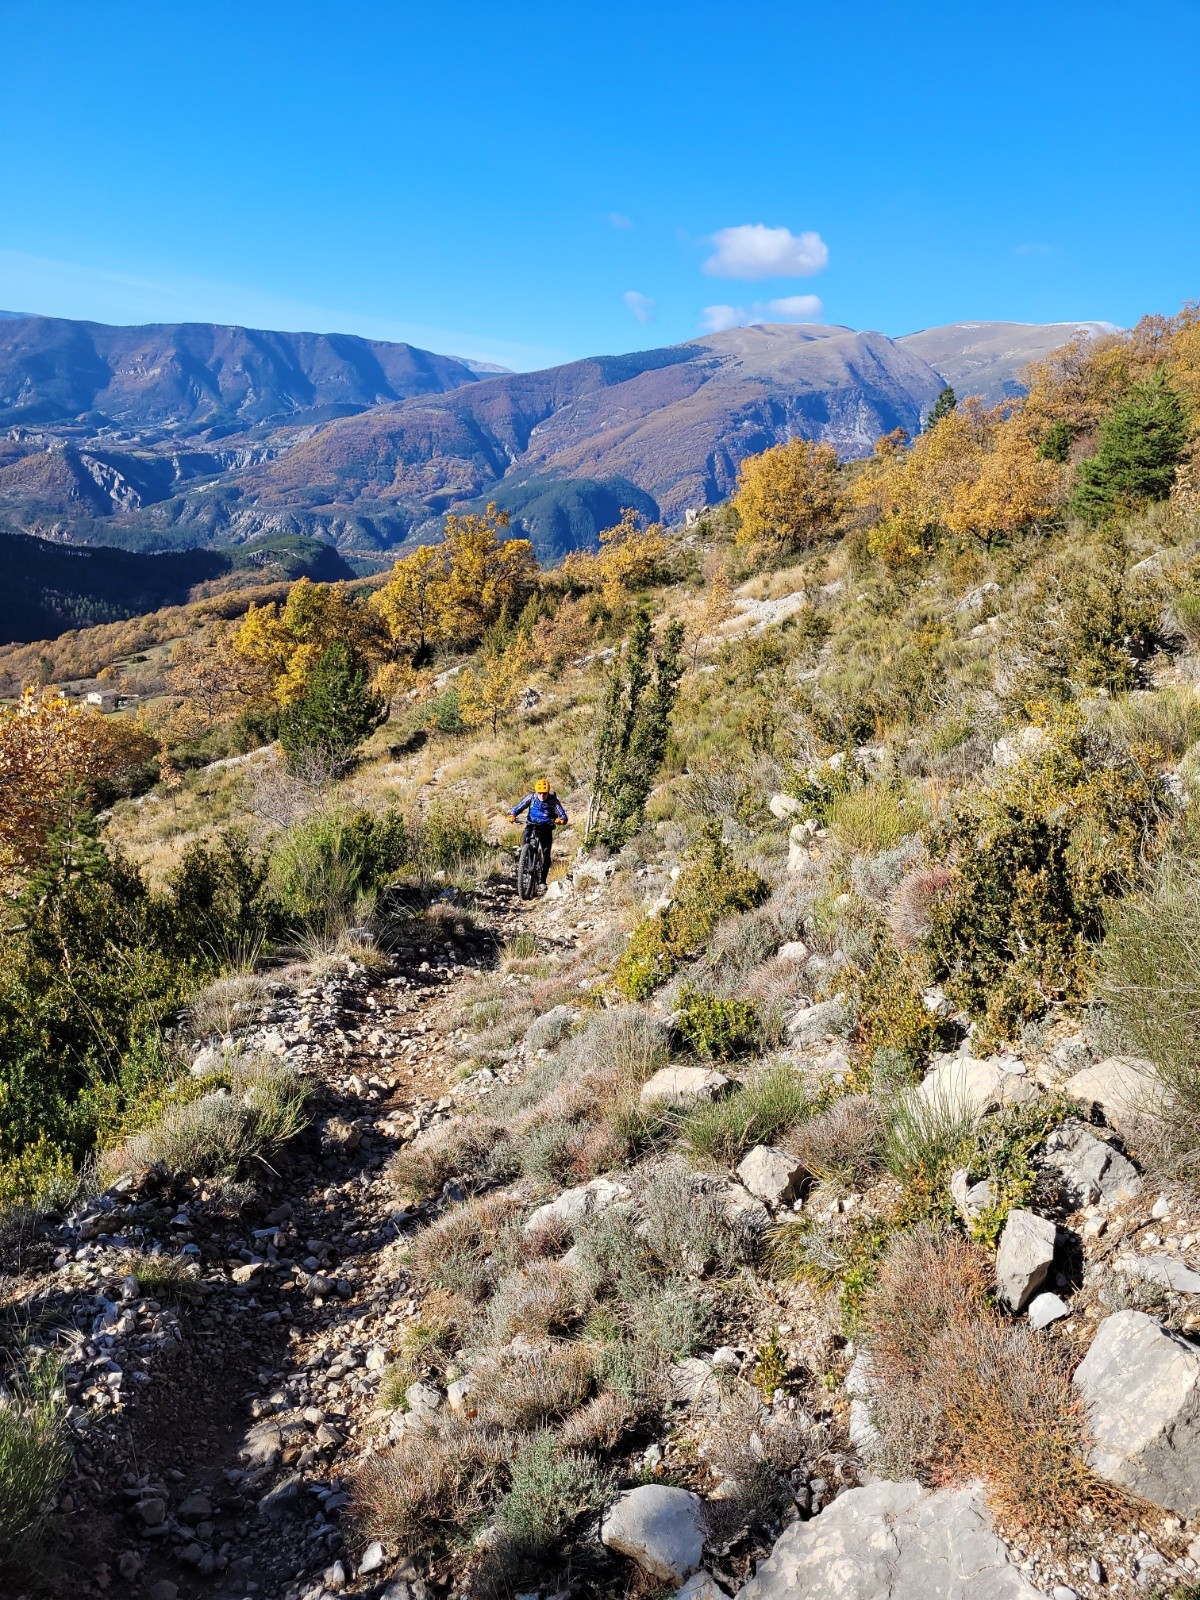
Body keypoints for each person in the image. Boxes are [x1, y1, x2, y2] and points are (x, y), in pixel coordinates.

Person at [510, 778, 568, 885]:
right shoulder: (532, 797)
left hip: (546, 827)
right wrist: (513, 814)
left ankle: (542, 881)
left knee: (546, 854)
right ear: (536, 792)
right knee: (524, 843)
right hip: (531, 824)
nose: (542, 795)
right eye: (540, 793)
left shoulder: (552, 800)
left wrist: (561, 820)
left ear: (548, 792)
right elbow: (519, 806)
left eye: (544, 793)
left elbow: (563, 815)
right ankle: (526, 864)